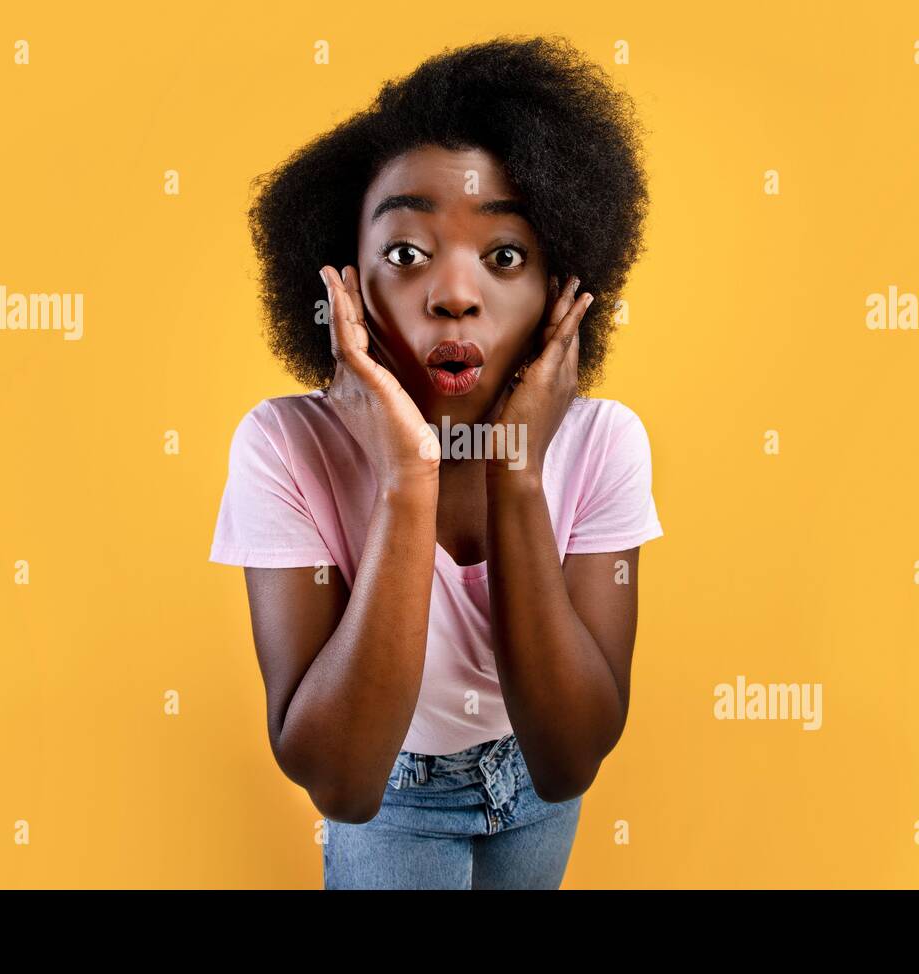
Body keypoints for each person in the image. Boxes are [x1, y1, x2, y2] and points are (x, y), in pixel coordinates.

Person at [210, 35, 662, 888]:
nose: (455, 293)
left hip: (533, 789)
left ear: (561, 289)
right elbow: (341, 779)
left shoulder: (604, 442)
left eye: (503, 256)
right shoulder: (281, 446)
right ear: (343, 284)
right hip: (394, 794)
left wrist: (518, 471)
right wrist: (406, 478)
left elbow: (568, 758)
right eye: (408, 253)